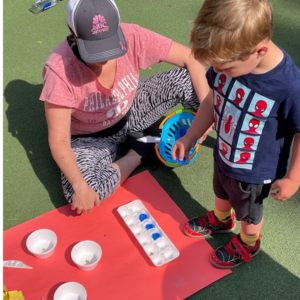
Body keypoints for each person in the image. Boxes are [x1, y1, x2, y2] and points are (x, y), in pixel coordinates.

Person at [39, 0, 210, 215]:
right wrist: (80, 186)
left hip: (130, 111)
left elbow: (190, 58)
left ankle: (201, 133)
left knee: (187, 80)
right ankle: (139, 151)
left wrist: (206, 114)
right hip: (91, 139)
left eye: (109, 46)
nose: (104, 57)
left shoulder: (132, 35)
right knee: (85, 192)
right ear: (73, 34)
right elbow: (59, 140)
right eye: (94, 50)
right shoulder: (58, 68)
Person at [172, 0, 300, 269]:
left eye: (225, 69)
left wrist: (293, 177)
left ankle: (248, 243)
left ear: (259, 51)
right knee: (221, 190)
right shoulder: (228, 58)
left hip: (255, 172)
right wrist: (191, 137)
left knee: (250, 214)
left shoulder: (288, 84)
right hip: (225, 152)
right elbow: (210, 101)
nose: (219, 73)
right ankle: (222, 219)